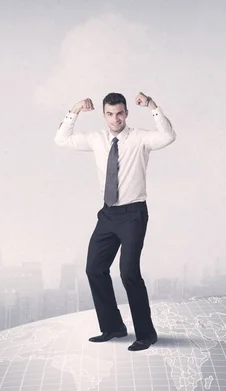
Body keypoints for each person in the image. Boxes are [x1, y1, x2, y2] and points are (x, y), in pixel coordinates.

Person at [54, 92, 176, 351]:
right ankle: (113, 327)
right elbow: (61, 139)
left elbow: (168, 136)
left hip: (133, 214)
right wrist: (74, 109)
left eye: (120, 113)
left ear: (126, 113)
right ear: (104, 115)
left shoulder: (140, 138)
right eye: (110, 114)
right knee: (94, 269)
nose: (115, 119)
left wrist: (152, 106)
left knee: (129, 272)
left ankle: (146, 334)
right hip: (108, 214)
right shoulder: (97, 139)